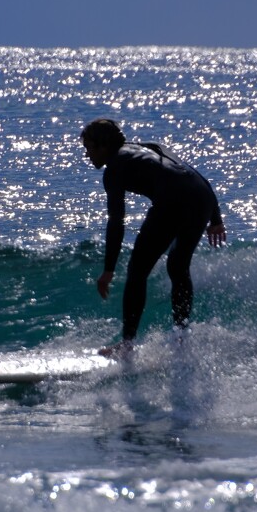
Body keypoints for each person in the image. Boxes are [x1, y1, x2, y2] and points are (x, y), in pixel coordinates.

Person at [81, 118, 226, 357]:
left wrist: (108, 270)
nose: (87, 155)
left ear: (103, 145)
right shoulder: (151, 146)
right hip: (201, 197)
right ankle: (181, 337)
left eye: (89, 148)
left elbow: (116, 221)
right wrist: (216, 219)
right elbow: (195, 175)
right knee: (178, 266)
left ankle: (127, 345)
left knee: (138, 269)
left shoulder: (114, 169)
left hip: (173, 201)